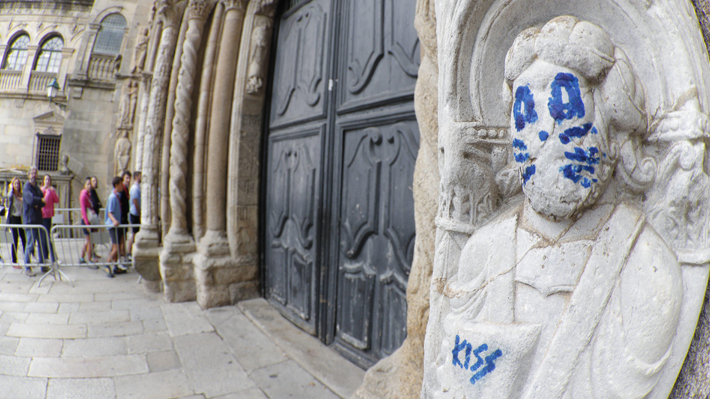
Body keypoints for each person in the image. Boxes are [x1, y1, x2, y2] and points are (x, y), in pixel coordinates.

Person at [428, 16, 682, 399]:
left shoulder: (647, 270)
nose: (543, 132)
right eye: (527, 112)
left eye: (564, 109)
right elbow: (446, 379)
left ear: (611, 128)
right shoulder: (484, 252)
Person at [22, 167, 47, 276]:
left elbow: (43, 201)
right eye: (31, 173)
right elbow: (31, 200)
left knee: (41, 243)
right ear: (28, 175)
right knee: (30, 244)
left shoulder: (37, 187)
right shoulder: (26, 187)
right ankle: (27, 267)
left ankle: (43, 265)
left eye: (35, 173)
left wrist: (39, 201)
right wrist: (39, 201)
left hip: (38, 219)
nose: (33, 175)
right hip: (30, 220)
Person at [104, 176, 125, 277]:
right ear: (117, 185)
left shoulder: (117, 195)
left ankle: (115, 266)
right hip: (112, 226)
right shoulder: (112, 197)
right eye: (121, 184)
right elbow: (109, 212)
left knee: (116, 247)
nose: (122, 186)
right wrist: (114, 220)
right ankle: (107, 264)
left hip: (116, 225)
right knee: (115, 248)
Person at [5, 178, 26, 268]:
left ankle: (27, 259)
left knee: (24, 239)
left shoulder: (21, 194)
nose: (17, 185)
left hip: (20, 218)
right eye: (15, 184)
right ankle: (14, 261)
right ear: (13, 185)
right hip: (14, 218)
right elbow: (8, 196)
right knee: (15, 239)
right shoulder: (12, 195)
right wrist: (10, 188)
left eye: (18, 184)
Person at [40, 175, 59, 263]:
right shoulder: (42, 190)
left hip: (49, 216)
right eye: (46, 179)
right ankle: (50, 256)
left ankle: (48, 255)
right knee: (46, 236)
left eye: (49, 179)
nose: (47, 181)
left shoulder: (51, 191)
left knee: (47, 235)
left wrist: (53, 192)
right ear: (43, 181)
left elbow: (56, 200)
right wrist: (48, 191)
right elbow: (45, 200)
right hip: (43, 215)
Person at [79, 177, 96, 267]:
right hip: (86, 220)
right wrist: (87, 224)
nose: (89, 186)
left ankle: (82, 257)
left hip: (88, 220)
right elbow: (83, 211)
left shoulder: (88, 194)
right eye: (88, 184)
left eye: (90, 184)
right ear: (84, 185)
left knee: (87, 241)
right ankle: (89, 260)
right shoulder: (83, 195)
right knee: (89, 241)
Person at [117, 171, 131, 269]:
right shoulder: (120, 192)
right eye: (126, 178)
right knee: (120, 241)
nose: (128, 180)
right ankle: (119, 260)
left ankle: (123, 257)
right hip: (121, 218)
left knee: (123, 239)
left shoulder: (125, 189)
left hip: (123, 217)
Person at [127, 171, 141, 258]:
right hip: (135, 213)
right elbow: (135, 201)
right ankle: (129, 252)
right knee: (134, 233)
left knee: (135, 233)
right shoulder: (135, 188)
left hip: (134, 212)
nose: (141, 177)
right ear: (136, 177)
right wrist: (139, 213)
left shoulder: (136, 187)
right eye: (140, 176)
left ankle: (130, 251)